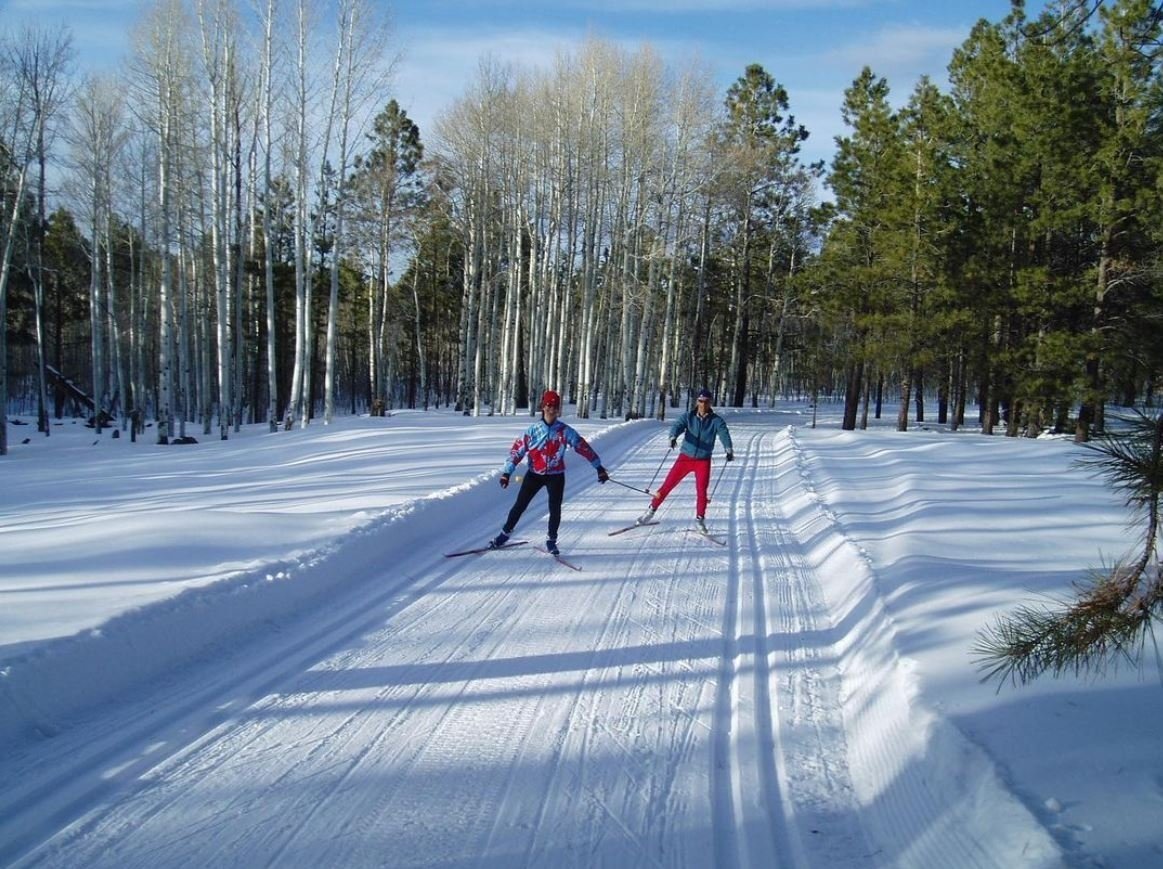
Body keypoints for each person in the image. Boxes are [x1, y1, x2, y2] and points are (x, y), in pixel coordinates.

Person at [489, 389, 609, 555]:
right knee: (519, 505)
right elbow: (517, 452)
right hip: (534, 475)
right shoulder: (532, 431)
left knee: (555, 509)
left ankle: (551, 540)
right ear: (543, 407)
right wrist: (507, 473)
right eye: (548, 405)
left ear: (558, 409)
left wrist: (599, 468)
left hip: (556, 476)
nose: (551, 409)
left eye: (555, 406)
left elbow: (583, 447)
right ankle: (504, 535)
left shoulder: (565, 431)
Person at [638, 388, 733, 533]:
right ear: (697, 402)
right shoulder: (689, 417)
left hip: (703, 461)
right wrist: (673, 437)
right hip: (685, 458)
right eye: (700, 401)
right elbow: (677, 426)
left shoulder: (716, 421)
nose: (703, 404)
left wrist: (728, 449)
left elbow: (724, 433)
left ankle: (700, 520)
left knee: (702, 491)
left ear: (710, 403)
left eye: (706, 402)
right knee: (667, 485)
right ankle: (650, 512)